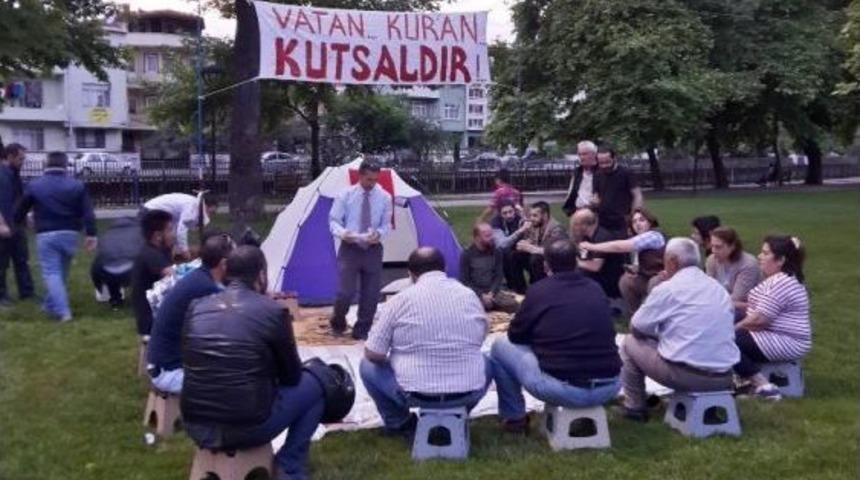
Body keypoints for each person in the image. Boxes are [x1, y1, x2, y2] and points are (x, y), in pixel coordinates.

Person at [182, 246, 326, 480]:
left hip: (196, 424)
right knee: (318, 383)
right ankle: (290, 466)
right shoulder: (272, 311)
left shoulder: (196, 307)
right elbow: (292, 377)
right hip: (247, 427)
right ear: (261, 275)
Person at [489, 240, 621, 432]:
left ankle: (514, 418)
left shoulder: (538, 291)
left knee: (500, 347)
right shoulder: (595, 288)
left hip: (564, 388)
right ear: (576, 261)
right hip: (610, 384)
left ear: (546, 265)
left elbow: (516, 336)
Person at [360, 247, 492, 436]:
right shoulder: (469, 295)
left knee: (367, 366)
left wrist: (394, 359)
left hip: (415, 394)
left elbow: (373, 353)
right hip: (468, 391)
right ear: (444, 268)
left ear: (411, 274)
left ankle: (400, 424)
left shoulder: (399, 301)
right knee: (487, 362)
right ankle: (457, 416)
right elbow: (480, 337)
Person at [617, 238, 739, 421]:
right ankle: (699, 408)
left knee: (628, 343)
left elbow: (636, 326)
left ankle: (635, 407)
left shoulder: (668, 288)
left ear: (672, 261)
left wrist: (656, 335)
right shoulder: (718, 289)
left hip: (687, 375)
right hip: (724, 376)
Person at [146, 231, 235, 394]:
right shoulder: (206, 289)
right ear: (223, 264)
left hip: (162, 363)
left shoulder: (200, 277)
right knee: (237, 377)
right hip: (170, 372)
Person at [14, 152, 97, 322]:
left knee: (52, 272)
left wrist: (21, 221)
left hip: (46, 233)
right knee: (62, 273)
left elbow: (20, 210)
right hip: (70, 233)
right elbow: (88, 212)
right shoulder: (77, 185)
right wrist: (91, 234)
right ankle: (49, 305)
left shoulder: (35, 185)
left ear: (46, 164)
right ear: (65, 165)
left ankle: (64, 312)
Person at [734, 235, 810, 401]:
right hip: (776, 333)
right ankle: (742, 378)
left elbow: (760, 320)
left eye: (765, 253)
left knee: (725, 340)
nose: (760, 256)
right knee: (728, 319)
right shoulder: (783, 278)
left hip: (788, 340)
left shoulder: (782, 283)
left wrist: (734, 328)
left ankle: (762, 386)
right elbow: (757, 309)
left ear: (780, 260)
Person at [328, 160, 393, 340]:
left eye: (375, 179)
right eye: (369, 179)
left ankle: (362, 329)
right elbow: (333, 221)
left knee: (371, 293)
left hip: (372, 248)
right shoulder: (345, 195)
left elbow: (387, 225)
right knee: (344, 292)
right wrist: (343, 233)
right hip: (350, 246)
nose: (372, 183)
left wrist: (379, 234)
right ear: (360, 175)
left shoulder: (385, 197)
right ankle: (338, 321)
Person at [579, 208, 666, 313]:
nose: (638, 224)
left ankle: (656, 316)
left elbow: (620, 247)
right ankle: (635, 315)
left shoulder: (653, 236)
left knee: (654, 282)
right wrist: (634, 270)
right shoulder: (637, 239)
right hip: (647, 277)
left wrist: (591, 246)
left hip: (664, 279)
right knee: (625, 280)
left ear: (650, 222)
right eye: (634, 221)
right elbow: (641, 264)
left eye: (642, 220)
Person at [0, 143, 35, 306]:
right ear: (10, 156)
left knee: (22, 260)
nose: (23, 161)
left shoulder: (15, 174)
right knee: (2, 263)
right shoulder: (1, 175)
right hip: (4, 227)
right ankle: (1, 296)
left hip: (17, 226)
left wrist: (26, 216)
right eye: (21, 158)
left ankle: (27, 293)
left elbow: (18, 199)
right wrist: (1, 224)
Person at [131, 210, 175, 336]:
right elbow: (174, 276)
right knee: (149, 346)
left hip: (153, 309)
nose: (173, 234)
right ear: (158, 235)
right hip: (150, 313)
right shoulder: (151, 254)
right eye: (170, 230)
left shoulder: (158, 250)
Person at [459, 223, 519, 313]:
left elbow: (499, 275)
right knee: (471, 309)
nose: (492, 238)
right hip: (475, 293)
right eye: (487, 236)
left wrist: (492, 292)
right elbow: (465, 281)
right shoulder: (467, 255)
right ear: (477, 238)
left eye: (491, 234)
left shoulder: (496, 251)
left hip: (493, 292)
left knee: (514, 305)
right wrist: (481, 295)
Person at [569, 208, 624, 299]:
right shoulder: (587, 236)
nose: (574, 228)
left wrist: (573, 261)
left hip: (607, 280)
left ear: (584, 225)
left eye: (576, 224)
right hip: (595, 276)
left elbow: (595, 267)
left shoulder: (602, 238)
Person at [142, 192, 217, 259]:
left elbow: (177, 229)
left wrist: (178, 249)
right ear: (206, 206)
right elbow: (181, 231)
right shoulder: (191, 207)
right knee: (158, 241)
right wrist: (185, 251)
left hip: (152, 210)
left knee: (168, 238)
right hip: (150, 211)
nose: (209, 215)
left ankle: (166, 260)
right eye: (210, 212)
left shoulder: (193, 204)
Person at [90, 216, 143, 308]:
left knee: (109, 269)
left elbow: (98, 261)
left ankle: (115, 300)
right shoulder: (139, 232)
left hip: (108, 272)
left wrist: (100, 287)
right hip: (132, 272)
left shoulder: (106, 235)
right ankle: (142, 298)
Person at [593, 145, 643, 238]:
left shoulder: (626, 173)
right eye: (601, 163)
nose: (604, 166)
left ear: (614, 158)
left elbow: (637, 195)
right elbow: (596, 194)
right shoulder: (597, 174)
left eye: (607, 162)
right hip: (603, 221)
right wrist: (594, 200)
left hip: (623, 220)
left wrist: (634, 215)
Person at [705, 227, 761, 307]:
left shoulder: (748, 264)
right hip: (722, 304)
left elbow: (737, 297)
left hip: (744, 309)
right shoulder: (712, 260)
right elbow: (709, 289)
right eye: (712, 246)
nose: (713, 250)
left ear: (732, 246)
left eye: (718, 247)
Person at [515, 201, 567, 284]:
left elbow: (554, 251)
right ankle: (520, 288)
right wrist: (526, 243)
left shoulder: (557, 229)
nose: (531, 218)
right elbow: (534, 240)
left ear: (545, 215)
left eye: (535, 215)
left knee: (536, 258)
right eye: (531, 215)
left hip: (553, 262)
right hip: (540, 257)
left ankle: (539, 286)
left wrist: (530, 248)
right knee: (515, 255)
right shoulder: (538, 225)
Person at [490, 201, 530, 294]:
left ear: (514, 210)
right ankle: (516, 288)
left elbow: (531, 226)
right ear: (500, 214)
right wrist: (520, 231)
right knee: (506, 253)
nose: (508, 215)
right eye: (505, 213)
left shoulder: (520, 218)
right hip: (504, 252)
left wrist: (524, 214)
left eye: (510, 211)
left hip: (521, 248)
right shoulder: (496, 223)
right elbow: (502, 244)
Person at [561, 140, 599, 216]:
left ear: (594, 154)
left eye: (584, 154)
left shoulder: (601, 172)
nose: (581, 157)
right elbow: (571, 192)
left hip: (596, 213)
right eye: (579, 154)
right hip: (577, 212)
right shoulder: (577, 172)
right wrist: (570, 210)